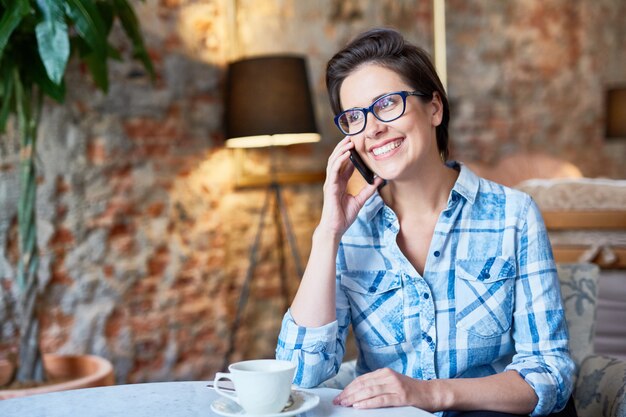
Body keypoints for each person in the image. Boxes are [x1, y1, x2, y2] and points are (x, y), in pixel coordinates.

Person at [275, 28, 576, 417]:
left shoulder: (513, 216)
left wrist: (429, 393)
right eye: (355, 117)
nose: (372, 128)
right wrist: (327, 234)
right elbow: (299, 376)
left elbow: (550, 373)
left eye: (386, 104)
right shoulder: (350, 232)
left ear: (434, 108)